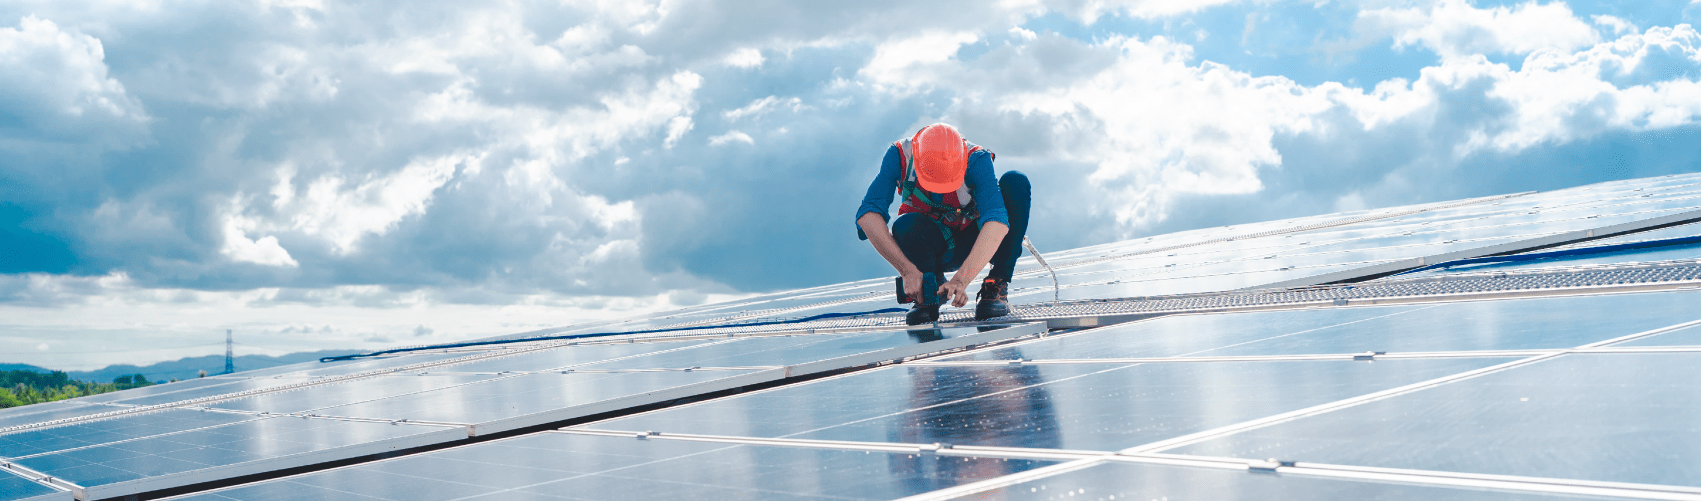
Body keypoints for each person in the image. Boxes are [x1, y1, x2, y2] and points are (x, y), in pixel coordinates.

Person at [855, 123, 1031, 325]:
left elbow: (996, 223)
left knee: (1015, 182)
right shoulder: (900, 156)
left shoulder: (977, 159)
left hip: (976, 244)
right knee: (905, 225)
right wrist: (908, 271)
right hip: (935, 246)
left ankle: (996, 284)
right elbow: (868, 215)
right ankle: (929, 289)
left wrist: (961, 280)